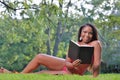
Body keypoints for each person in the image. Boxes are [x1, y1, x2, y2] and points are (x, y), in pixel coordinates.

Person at [0, 23, 102, 77]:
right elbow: (67, 62)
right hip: (67, 67)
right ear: (80, 33)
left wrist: (94, 77)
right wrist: (72, 65)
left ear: (93, 35)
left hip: (73, 74)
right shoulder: (75, 45)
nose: (87, 35)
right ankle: (19, 75)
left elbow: (97, 64)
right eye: (84, 32)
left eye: (90, 33)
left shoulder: (95, 44)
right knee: (40, 57)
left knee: (42, 73)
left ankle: (15, 75)